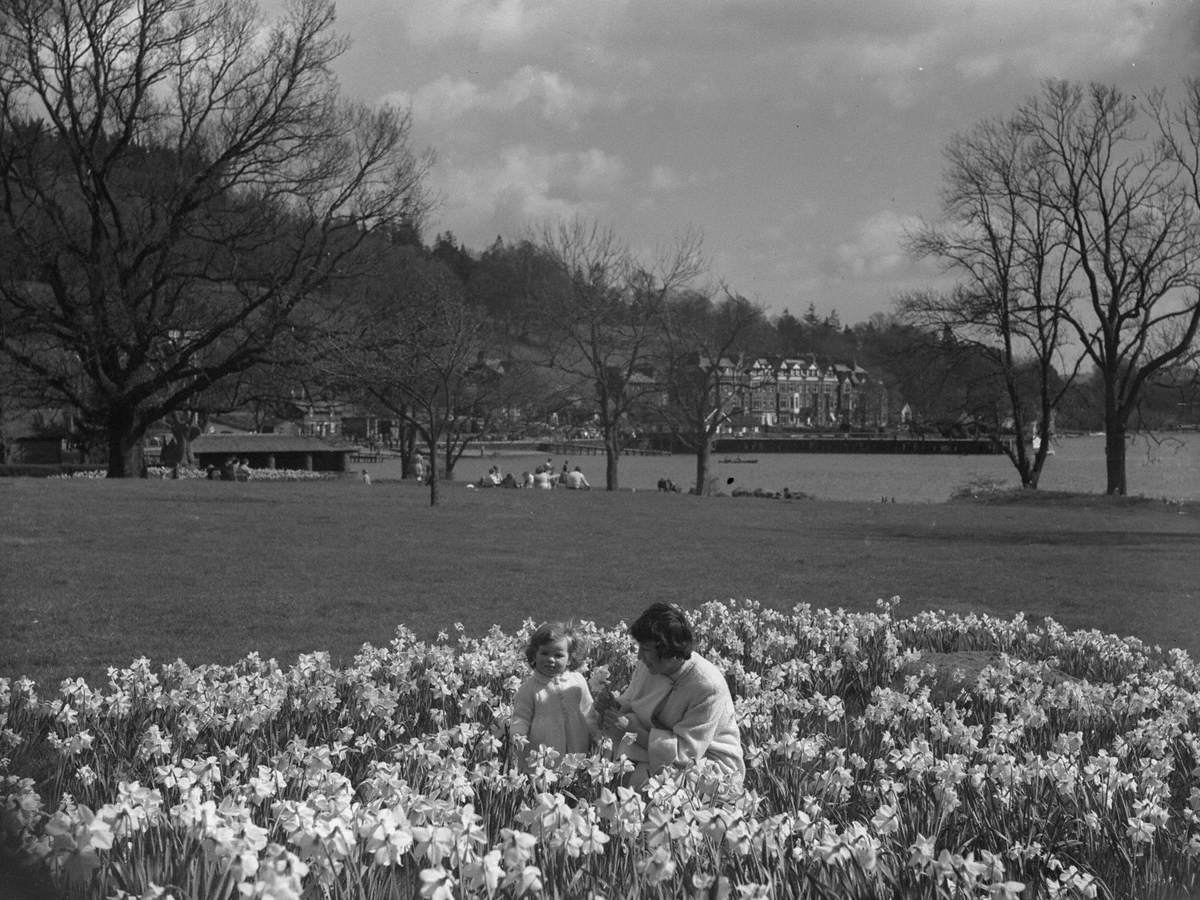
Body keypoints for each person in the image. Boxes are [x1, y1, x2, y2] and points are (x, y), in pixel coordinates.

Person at [601, 603, 744, 788]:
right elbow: (631, 702)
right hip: (653, 750)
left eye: (645, 649)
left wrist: (632, 730)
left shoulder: (707, 686)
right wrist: (612, 707)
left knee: (636, 782)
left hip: (707, 764)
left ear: (668, 651)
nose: (639, 656)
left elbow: (685, 754)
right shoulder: (649, 665)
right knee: (609, 760)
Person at [509, 622, 597, 766]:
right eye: (544, 653)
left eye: (558, 655)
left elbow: (588, 710)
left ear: (570, 658)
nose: (550, 659)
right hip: (543, 751)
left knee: (574, 777)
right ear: (534, 655)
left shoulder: (578, 681)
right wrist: (518, 736)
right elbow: (520, 717)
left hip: (577, 745)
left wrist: (595, 733)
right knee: (545, 783)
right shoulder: (529, 688)